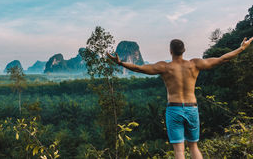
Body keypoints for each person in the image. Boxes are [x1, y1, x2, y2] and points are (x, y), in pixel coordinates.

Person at [107, 37, 253, 159]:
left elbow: (139, 68)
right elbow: (222, 59)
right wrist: (241, 48)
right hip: (192, 109)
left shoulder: (165, 67)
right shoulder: (194, 64)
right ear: (184, 51)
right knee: (194, 146)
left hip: (174, 110)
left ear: (170, 51)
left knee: (179, 150)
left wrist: (120, 63)